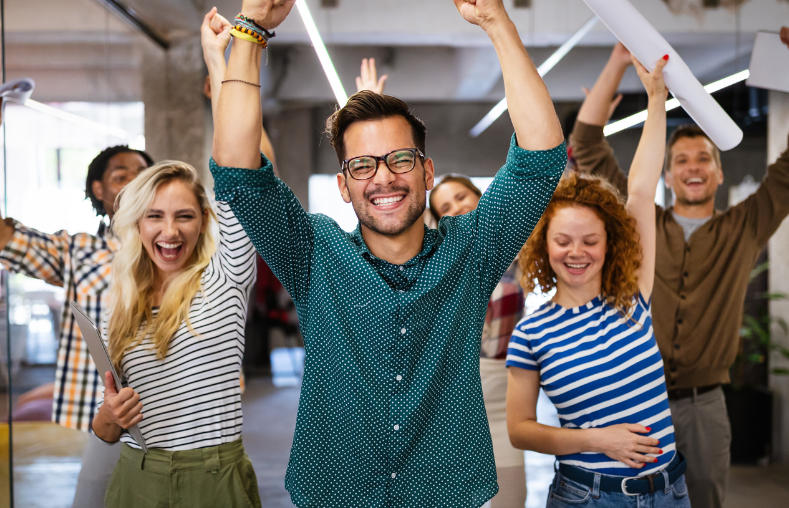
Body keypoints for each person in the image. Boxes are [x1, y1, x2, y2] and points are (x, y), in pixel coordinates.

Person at [203, 0, 566, 504]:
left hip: (447, 492)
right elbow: (239, 174)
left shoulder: (471, 249)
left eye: (399, 159)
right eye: (362, 166)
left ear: (427, 171)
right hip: (337, 490)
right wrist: (251, 32)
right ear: (343, 186)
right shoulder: (313, 252)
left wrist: (496, 22)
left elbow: (541, 160)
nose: (384, 178)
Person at [569, 29, 789, 508]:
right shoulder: (641, 222)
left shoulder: (744, 227)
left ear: (719, 171)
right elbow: (586, 144)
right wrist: (619, 60)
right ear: (667, 174)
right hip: (633, 401)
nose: (692, 166)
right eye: (681, 158)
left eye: (704, 158)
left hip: (705, 406)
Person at [506, 54, 690, 507]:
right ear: (544, 247)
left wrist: (656, 98)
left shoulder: (632, 299)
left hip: (669, 491)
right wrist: (598, 440)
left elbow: (643, 191)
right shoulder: (531, 333)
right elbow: (520, 430)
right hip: (588, 496)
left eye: (590, 240)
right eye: (563, 241)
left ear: (609, 245)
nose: (576, 252)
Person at [0, 89, 152, 508]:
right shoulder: (78, 251)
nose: (137, 181)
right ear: (99, 189)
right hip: (107, 418)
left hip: (175, 414)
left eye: (145, 174)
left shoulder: (175, 247)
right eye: (123, 174)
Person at [92, 160, 259, 507]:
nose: (170, 232)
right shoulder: (122, 304)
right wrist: (111, 414)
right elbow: (105, 431)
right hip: (136, 476)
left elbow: (242, 167)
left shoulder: (226, 279)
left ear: (204, 221)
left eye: (184, 216)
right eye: (154, 216)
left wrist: (223, 102)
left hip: (213, 479)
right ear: (137, 223)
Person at [430, 174, 528, 508]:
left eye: (460, 196)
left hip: (503, 397)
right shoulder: (437, 265)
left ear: (479, 195)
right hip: (450, 401)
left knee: (511, 499)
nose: (457, 207)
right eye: (445, 206)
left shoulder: (516, 247)